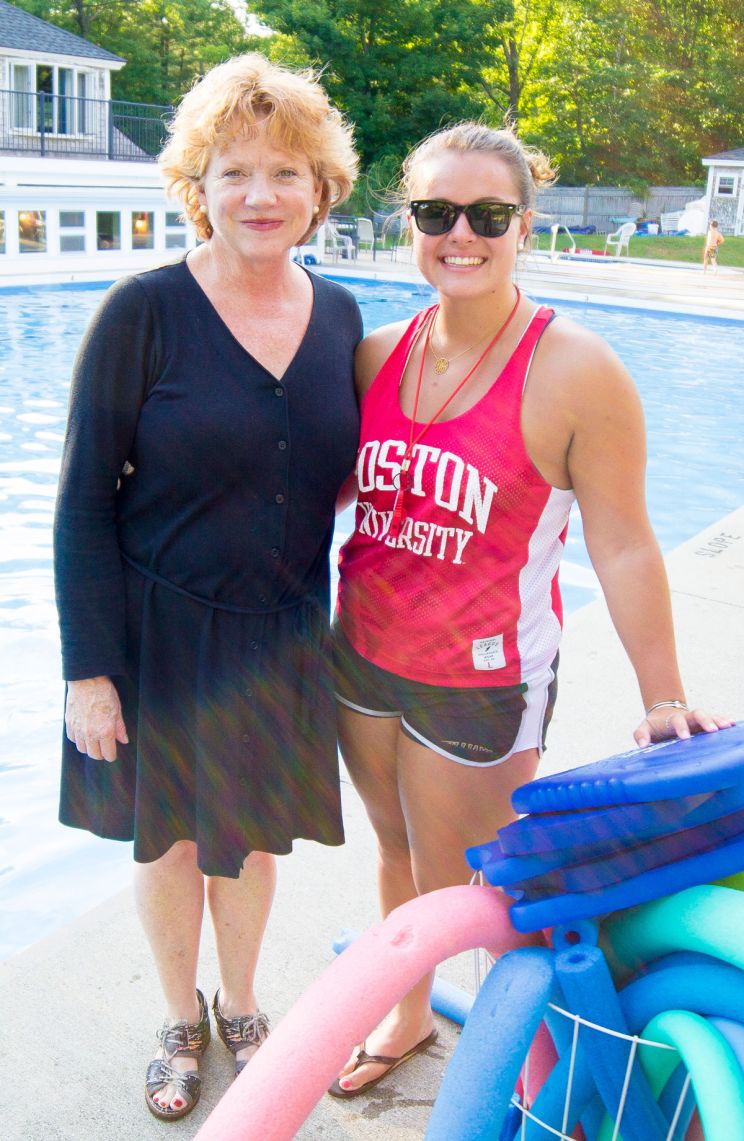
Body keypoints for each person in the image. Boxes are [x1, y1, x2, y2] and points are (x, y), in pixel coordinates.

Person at [329, 122, 733, 1098]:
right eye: (435, 212)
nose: (459, 233)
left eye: (488, 214)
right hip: (361, 658)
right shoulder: (376, 352)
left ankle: (526, 1068)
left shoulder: (575, 369)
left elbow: (625, 541)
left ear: (524, 225)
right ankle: (411, 1009)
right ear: (409, 222)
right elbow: (336, 494)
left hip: (480, 679)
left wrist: (665, 692)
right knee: (394, 850)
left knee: (484, 882)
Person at [53, 53, 361, 1121]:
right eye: (234, 172)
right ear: (198, 188)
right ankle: (179, 1017)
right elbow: (84, 500)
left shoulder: (342, 318)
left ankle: (242, 1003)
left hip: (281, 634)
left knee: (253, 837)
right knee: (174, 838)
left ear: (321, 189)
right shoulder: (142, 312)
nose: (261, 195)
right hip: (159, 627)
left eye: (285, 172)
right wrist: (88, 670)